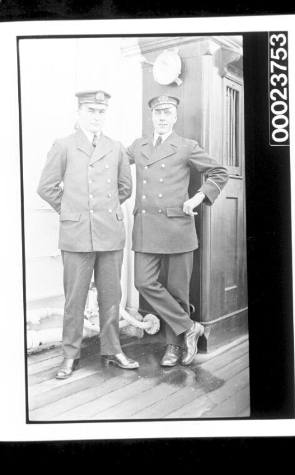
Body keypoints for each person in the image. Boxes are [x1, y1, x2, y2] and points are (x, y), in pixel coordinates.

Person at [37, 90, 139, 379]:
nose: (96, 116)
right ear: (79, 113)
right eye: (91, 111)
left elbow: (125, 188)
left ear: (106, 114)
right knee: (75, 298)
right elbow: (46, 187)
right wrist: (71, 211)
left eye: (101, 111)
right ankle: (70, 355)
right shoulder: (64, 145)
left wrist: (102, 212)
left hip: (109, 232)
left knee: (111, 296)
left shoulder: (116, 147)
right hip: (77, 234)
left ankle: (113, 349)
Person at [127, 95, 229, 367]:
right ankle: (190, 326)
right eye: (157, 112)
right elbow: (113, 166)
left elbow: (219, 172)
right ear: (152, 116)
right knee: (143, 281)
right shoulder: (138, 146)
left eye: (167, 112)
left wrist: (198, 198)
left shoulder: (186, 146)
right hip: (147, 228)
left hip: (177, 229)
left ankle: (173, 346)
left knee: (177, 291)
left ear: (174, 117)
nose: (162, 117)